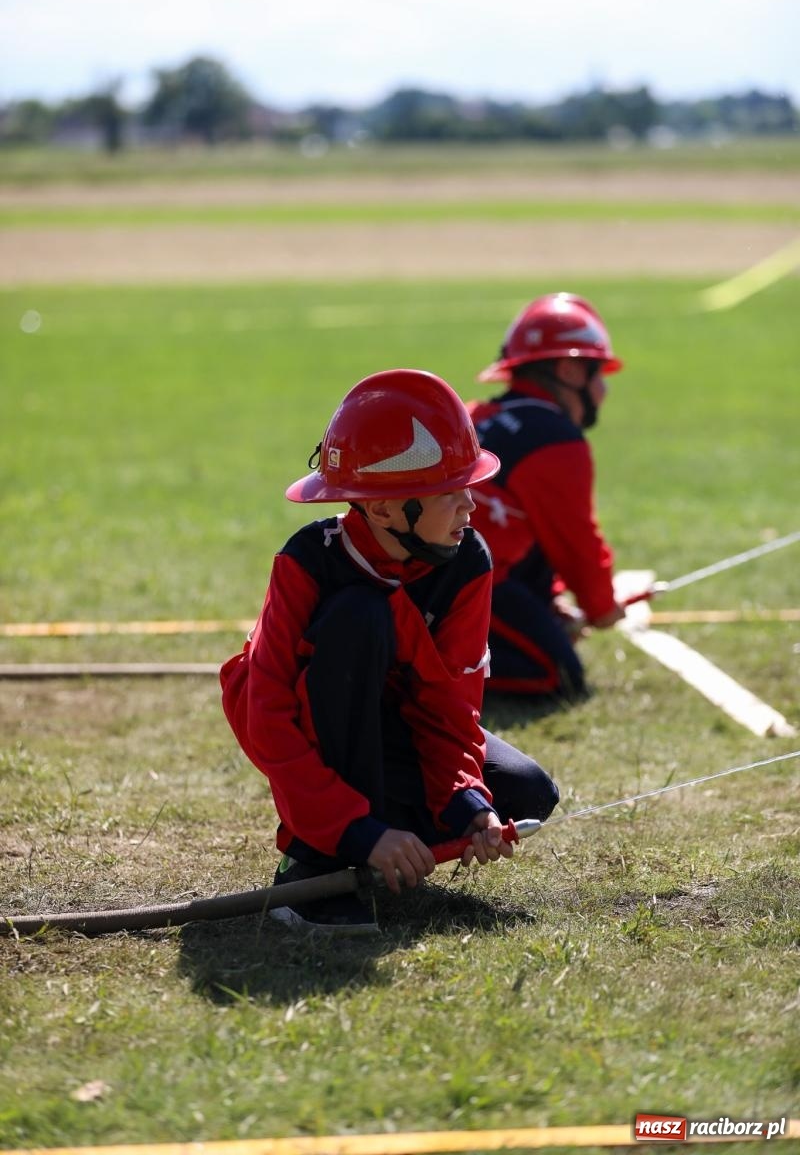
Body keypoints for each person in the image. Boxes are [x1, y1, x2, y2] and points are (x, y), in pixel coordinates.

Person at [220, 369, 560, 934]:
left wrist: (468, 805)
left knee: (525, 793)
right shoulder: (308, 562)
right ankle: (312, 867)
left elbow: (451, 707)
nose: (470, 506)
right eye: (448, 493)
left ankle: (386, 848)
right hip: (313, 734)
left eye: (467, 486)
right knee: (360, 614)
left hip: (393, 732)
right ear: (381, 510)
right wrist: (355, 830)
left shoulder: (467, 561)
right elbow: (266, 715)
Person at [467, 292, 626, 700]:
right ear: (570, 370)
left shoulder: (477, 415)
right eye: (598, 374)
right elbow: (576, 544)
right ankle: (411, 675)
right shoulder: (555, 441)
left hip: (441, 578)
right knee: (557, 676)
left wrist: (551, 602)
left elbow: (527, 536)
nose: (603, 390)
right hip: (465, 585)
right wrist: (601, 608)